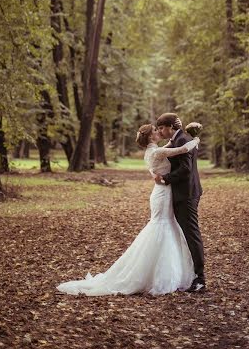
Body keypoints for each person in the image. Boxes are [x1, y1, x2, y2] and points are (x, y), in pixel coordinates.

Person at [56, 124, 199, 296]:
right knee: (161, 226)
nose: (158, 132)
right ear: (150, 137)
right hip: (162, 193)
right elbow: (182, 149)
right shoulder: (156, 152)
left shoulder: (154, 150)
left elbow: (170, 146)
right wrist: (196, 139)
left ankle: (163, 271)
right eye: (155, 131)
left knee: (167, 225)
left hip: (163, 191)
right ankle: (156, 274)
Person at [155, 113, 205, 293]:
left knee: (192, 234)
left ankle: (200, 278)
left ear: (171, 126)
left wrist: (165, 178)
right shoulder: (180, 139)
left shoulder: (183, 139)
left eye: (162, 128)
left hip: (187, 194)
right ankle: (189, 273)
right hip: (182, 193)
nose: (160, 131)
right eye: (158, 128)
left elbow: (185, 169)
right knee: (185, 234)